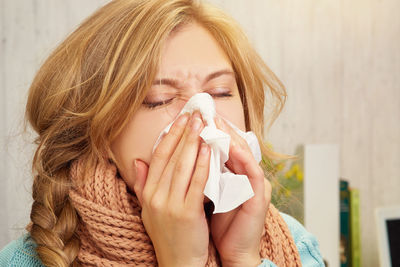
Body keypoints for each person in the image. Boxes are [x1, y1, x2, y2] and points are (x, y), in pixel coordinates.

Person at [0, 0, 325, 266]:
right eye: (159, 100)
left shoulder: (295, 243)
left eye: (222, 91)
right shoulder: (25, 261)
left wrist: (243, 259)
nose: (202, 115)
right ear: (99, 135)